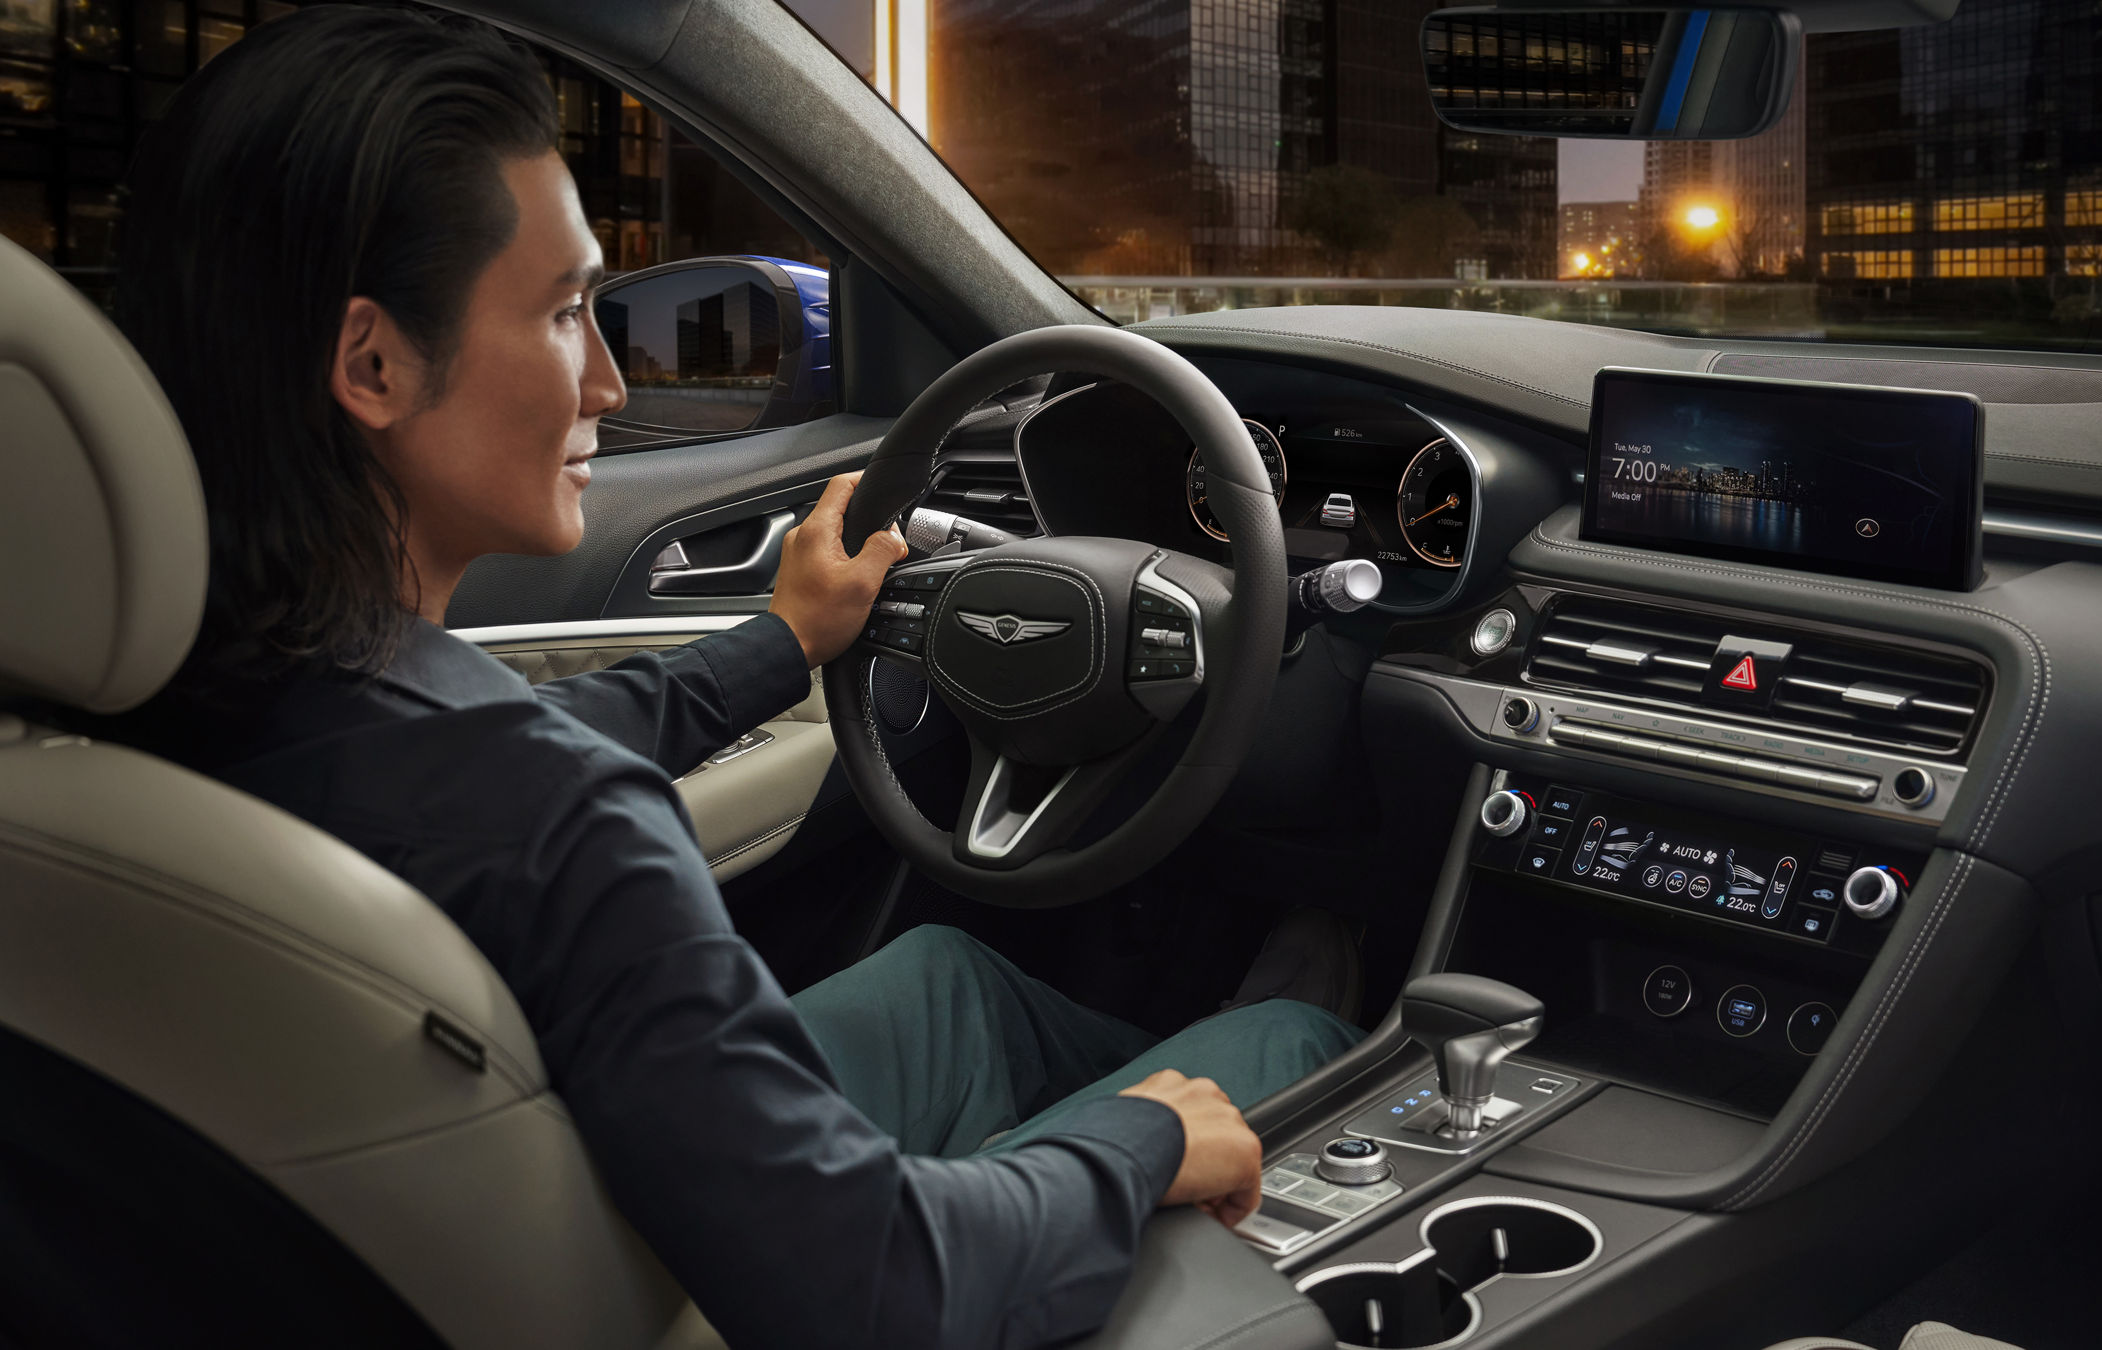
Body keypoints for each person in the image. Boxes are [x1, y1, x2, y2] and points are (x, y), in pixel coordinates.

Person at [95, 7, 1363, 1347]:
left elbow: (488, 744)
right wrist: (1136, 1145)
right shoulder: (555, 822)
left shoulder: (166, 692)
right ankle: (1291, 1024)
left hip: (420, 1234)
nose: (605, 379)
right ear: (372, 361)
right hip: (707, 1294)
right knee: (1272, 1058)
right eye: (567, 309)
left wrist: (782, 641)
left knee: (951, 978)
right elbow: (879, 1288)